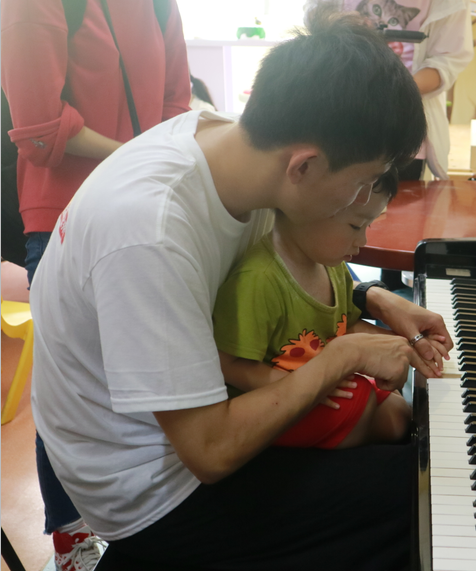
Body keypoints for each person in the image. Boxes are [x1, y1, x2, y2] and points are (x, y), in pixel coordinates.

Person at [29, 8, 452, 569]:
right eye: (359, 185)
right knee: (431, 501)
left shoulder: (240, 148)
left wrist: (373, 297)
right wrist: (345, 355)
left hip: (192, 430)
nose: (359, 201)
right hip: (153, 490)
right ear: (304, 167)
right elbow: (209, 451)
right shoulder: (150, 230)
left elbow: (295, 258)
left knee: (413, 440)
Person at [0, 1, 192, 569]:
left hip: (147, 211)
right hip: (64, 215)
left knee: (157, 373)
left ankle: (156, 521)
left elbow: (175, 106)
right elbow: (38, 131)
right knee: (69, 388)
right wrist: (140, 160)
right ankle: (70, 536)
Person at [213, 169, 444, 449]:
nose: (363, 241)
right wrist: (303, 387)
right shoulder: (258, 281)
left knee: (400, 416)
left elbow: (346, 323)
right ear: (307, 208)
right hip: (281, 399)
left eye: (368, 226)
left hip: (329, 378)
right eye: (355, 226)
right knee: (365, 399)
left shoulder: (330, 264)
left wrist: (407, 345)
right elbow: (231, 365)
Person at [304, 0, 473, 181]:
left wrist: (394, 92)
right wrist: (335, 20)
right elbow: (313, 14)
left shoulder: (451, 3)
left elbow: (448, 59)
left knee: (393, 193)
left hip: (400, 129)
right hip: (336, 122)